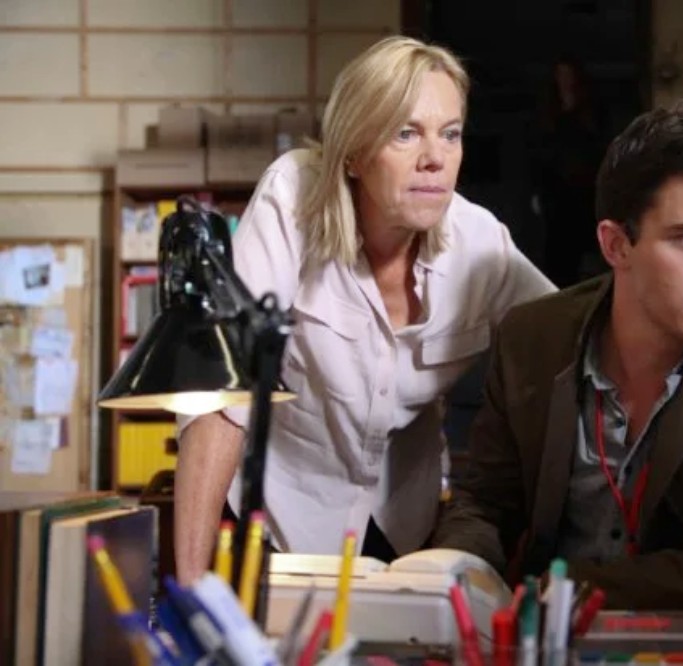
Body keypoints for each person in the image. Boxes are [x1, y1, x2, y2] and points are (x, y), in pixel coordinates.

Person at [173, 36, 554, 584]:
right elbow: (221, 396)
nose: (435, 158)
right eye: (406, 133)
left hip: (401, 519)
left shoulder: (478, 241)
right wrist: (191, 587)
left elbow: (567, 341)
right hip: (278, 511)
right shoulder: (293, 195)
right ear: (352, 152)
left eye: (450, 134)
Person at [431, 99, 683, 621]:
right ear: (617, 245)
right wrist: (453, 579)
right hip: (541, 641)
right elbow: (486, 503)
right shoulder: (532, 338)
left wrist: (557, 589)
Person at [529, 56, 609, 288]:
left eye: (569, 75)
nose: (565, 81)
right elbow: (538, 153)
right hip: (555, 196)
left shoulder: (592, 113)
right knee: (558, 255)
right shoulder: (547, 114)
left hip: (585, 191)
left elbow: (600, 149)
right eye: (560, 76)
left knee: (587, 252)